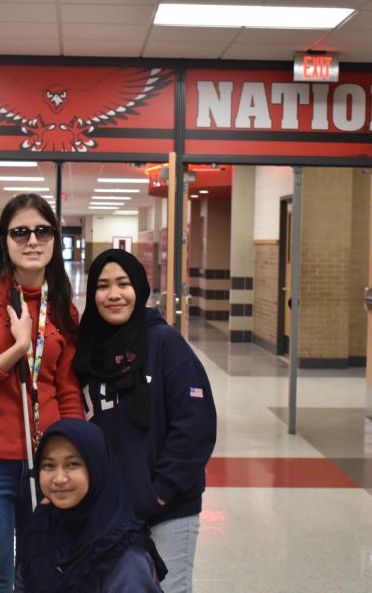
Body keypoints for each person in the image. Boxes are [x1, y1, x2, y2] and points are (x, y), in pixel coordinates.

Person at [0, 193, 83, 592]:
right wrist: (16, 351)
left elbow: (69, 390)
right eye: (20, 231)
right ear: (3, 240)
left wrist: (72, 459)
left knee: (41, 573)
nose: (32, 241)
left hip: (47, 462)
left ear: (55, 240)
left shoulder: (62, 308)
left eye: (42, 231)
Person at [73, 249, 217, 593]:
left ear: (139, 287)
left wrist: (162, 491)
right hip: (107, 513)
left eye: (123, 283)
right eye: (103, 285)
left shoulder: (164, 342)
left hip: (168, 508)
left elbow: (195, 424)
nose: (114, 294)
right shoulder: (87, 353)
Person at [16, 418, 166, 592]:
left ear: (97, 467)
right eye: (48, 465)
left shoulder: (122, 553)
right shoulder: (41, 528)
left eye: (73, 464)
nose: (59, 478)